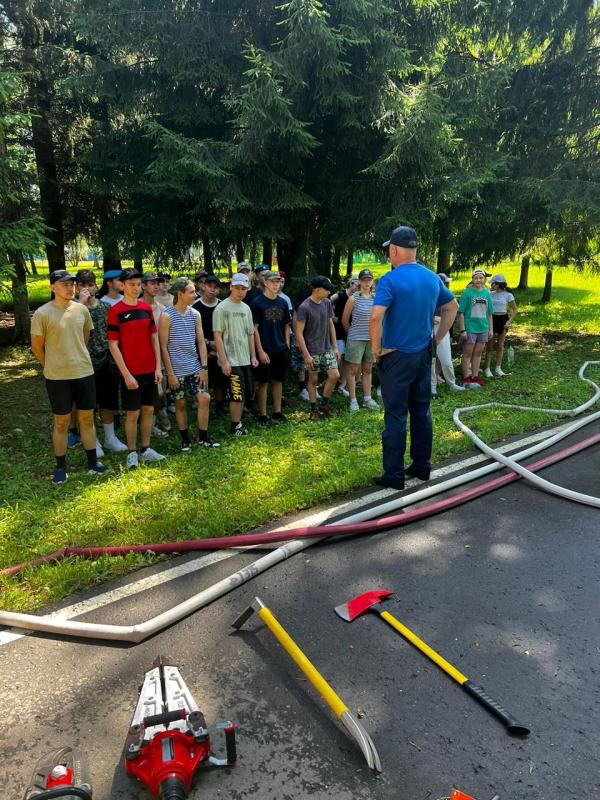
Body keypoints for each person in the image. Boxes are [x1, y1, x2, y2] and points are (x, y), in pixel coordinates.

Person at [369, 226, 457, 490]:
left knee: (395, 415)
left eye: (389, 250)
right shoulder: (432, 278)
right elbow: (451, 307)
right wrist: (438, 338)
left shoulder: (390, 280)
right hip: (422, 354)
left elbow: (375, 317)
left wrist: (375, 350)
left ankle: (393, 475)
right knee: (422, 411)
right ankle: (421, 466)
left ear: (394, 250)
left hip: (396, 356)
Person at [30, 270, 107, 485]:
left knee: (87, 418)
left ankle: (93, 463)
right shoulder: (42, 313)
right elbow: (36, 347)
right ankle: (61, 467)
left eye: (72, 283)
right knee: (62, 422)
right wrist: (51, 365)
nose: (70, 287)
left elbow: (84, 337)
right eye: (64, 284)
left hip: (83, 372)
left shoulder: (82, 310)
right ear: (53, 287)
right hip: (57, 377)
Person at [107, 268, 166, 468]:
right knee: (133, 413)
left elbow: (154, 338)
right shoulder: (115, 311)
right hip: (130, 372)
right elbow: (113, 345)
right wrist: (126, 374)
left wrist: (158, 367)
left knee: (148, 409)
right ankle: (131, 452)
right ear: (122, 286)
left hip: (150, 369)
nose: (136, 288)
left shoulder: (146, 309)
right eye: (131, 285)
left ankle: (145, 448)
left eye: (138, 284)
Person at [159, 277, 219, 450]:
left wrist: (204, 367)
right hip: (176, 371)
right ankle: (185, 439)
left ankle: (203, 437)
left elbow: (201, 342)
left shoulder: (195, 314)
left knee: (204, 398)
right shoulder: (167, 316)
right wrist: (170, 374)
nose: (195, 294)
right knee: (180, 403)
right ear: (180, 294)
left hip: (194, 367)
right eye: (192, 291)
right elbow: (163, 347)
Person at [75, 269, 128, 454]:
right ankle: (93, 440)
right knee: (89, 405)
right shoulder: (72, 309)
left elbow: (114, 335)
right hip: (84, 364)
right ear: (77, 287)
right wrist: (80, 305)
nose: (87, 289)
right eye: (82, 285)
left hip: (107, 362)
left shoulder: (106, 308)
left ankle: (110, 438)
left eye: (90, 285)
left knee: (108, 402)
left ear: (96, 286)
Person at [212, 272, 259, 436]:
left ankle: (238, 422)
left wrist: (253, 356)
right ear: (231, 287)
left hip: (245, 358)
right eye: (237, 288)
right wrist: (224, 361)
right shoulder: (222, 308)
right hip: (231, 360)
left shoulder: (246, 308)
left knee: (247, 392)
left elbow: (250, 333)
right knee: (236, 394)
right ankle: (235, 426)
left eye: (244, 289)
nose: (240, 291)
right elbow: (217, 335)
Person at [295, 275, 340, 420]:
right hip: (311, 350)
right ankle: (313, 410)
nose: (329, 293)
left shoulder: (326, 303)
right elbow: (299, 333)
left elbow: (331, 324)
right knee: (313, 380)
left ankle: (324, 404)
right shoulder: (304, 307)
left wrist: (335, 347)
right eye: (326, 290)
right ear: (317, 289)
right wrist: (306, 355)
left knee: (335, 375)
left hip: (326, 347)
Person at [252, 270, 291, 424]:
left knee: (278, 380)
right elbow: (253, 328)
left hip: (280, 347)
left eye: (279, 281)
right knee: (263, 382)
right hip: (265, 348)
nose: (276, 284)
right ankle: (262, 415)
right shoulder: (257, 302)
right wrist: (259, 350)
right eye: (273, 281)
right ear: (265, 283)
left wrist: (286, 343)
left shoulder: (282, 302)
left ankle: (277, 412)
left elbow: (287, 325)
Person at [341, 269, 379, 411]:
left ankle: (367, 398)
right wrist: (352, 333)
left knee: (368, 369)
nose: (367, 283)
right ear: (359, 282)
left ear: (372, 281)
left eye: (369, 280)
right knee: (352, 370)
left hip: (371, 339)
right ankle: (353, 400)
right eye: (364, 280)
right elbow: (345, 320)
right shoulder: (353, 299)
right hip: (355, 339)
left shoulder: (376, 298)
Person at [192, 275, 227, 418]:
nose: (212, 290)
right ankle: (203, 408)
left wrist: (218, 348)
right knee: (203, 380)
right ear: (203, 287)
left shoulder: (223, 305)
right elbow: (191, 331)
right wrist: (207, 344)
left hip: (221, 349)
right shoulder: (195, 306)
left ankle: (220, 407)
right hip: (201, 349)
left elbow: (227, 329)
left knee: (220, 380)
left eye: (216, 287)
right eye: (209, 286)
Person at [141, 271, 170, 437]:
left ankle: (159, 415)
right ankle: (150, 427)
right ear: (143, 286)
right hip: (143, 358)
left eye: (157, 283)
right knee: (152, 394)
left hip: (160, 357)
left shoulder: (162, 309)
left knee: (161, 392)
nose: (157, 286)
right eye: (152, 283)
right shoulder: (137, 306)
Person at [457, 268, 493, 387]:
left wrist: (490, 329)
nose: (478, 280)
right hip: (470, 328)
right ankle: (466, 377)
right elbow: (461, 312)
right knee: (467, 354)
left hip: (483, 328)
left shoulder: (487, 293)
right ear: (472, 279)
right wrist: (463, 330)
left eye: (480, 278)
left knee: (478, 353)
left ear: (484, 279)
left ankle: (475, 376)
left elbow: (489, 313)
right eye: (476, 278)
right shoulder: (467, 293)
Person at [431, 273, 465, 396]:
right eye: (445, 282)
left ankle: (451, 383)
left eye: (446, 283)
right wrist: (432, 318)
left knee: (446, 360)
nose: (446, 284)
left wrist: (441, 319)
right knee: (432, 359)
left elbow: (453, 311)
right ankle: (432, 387)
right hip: (428, 329)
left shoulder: (447, 296)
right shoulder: (428, 294)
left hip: (442, 329)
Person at [484, 274, 518, 378]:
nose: (491, 285)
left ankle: (498, 368)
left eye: (493, 284)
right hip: (491, 319)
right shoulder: (490, 294)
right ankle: (487, 369)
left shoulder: (508, 295)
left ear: (498, 284)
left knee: (500, 345)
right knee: (489, 346)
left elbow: (514, 309)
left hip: (503, 319)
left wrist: (509, 322)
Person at [331, 276, 359, 397]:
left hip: (351, 331)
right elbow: (326, 301)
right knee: (337, 358)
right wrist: (331, 316)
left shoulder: (358, 297)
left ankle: (342, 386)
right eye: (356, 285)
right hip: (338, 331)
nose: (357, 287)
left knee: (348, 360)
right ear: (351, 283)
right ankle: (331, 384)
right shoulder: (340, 295)